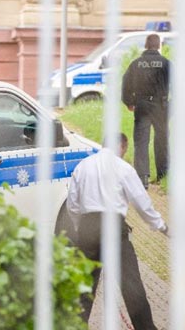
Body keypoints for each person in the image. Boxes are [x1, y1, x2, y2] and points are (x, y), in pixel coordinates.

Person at [66, 133, 168, 330]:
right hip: (114, 229)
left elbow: (73, 204)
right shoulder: (123, 168)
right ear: (122, 147)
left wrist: (80, 227)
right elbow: (142, 203)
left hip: (87, 229)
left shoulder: (83, 166)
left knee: (84, 288)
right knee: (132, 287)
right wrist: (161, 226)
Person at [121, 33, 171, 188]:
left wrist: (129, 102)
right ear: (159, 46)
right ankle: (163, 174)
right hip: (161, 107)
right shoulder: (166, 64)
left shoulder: (136, 64)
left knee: (141, 141)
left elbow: (126, 84)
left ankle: (142, 178)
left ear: (145, 45)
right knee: (162, 141)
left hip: (142, 106)